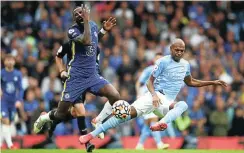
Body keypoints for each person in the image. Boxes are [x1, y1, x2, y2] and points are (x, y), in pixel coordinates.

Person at [79, 38, 227, 144]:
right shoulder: (162, 62)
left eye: (182, 50)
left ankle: (161, 123)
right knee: (125, 115)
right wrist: (154, 95)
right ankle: (90, 135)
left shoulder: (186, 65)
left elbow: (191, 81)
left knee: (183, 105)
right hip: (153, 96)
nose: (180, 53)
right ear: (171, 49)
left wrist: (212, 82)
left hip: (166, 103)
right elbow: (149, 82)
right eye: (177, 50)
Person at [33, 4, 120, 152]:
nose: (79, 14)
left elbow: (93, 40)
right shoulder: (72, 31)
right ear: (74, 18)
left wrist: (103, 30)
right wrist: (61, 71)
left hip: (92, 75)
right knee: (63, 113)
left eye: (82, 12)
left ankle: (98, 121)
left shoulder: (92, 25)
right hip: (76, 77)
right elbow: (85, 41)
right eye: (76, 13)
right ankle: (45, 118)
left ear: (87, 13)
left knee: (115, 95)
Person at [135, 52, 169, 150]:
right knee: (153, 120)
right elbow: (138, 83)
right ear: (154, 60)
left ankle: (140, 145)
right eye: (157, 59)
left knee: (148, 123)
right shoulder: (149, 70)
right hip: (147, 97)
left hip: (156, 97)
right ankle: (159, 144)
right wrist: (138, 94)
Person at [1, 54, 25, 149]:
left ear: (14, 62)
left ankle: (2, 144)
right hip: (3, 101)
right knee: (5, 120)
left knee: (9, 122)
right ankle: (10, 145)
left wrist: (19, 100)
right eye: (7, 60)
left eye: (11, 60)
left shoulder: (18, 74)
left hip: (13, 102)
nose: (9, 62)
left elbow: (21, 89)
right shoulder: (1, 73)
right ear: (4, 62)